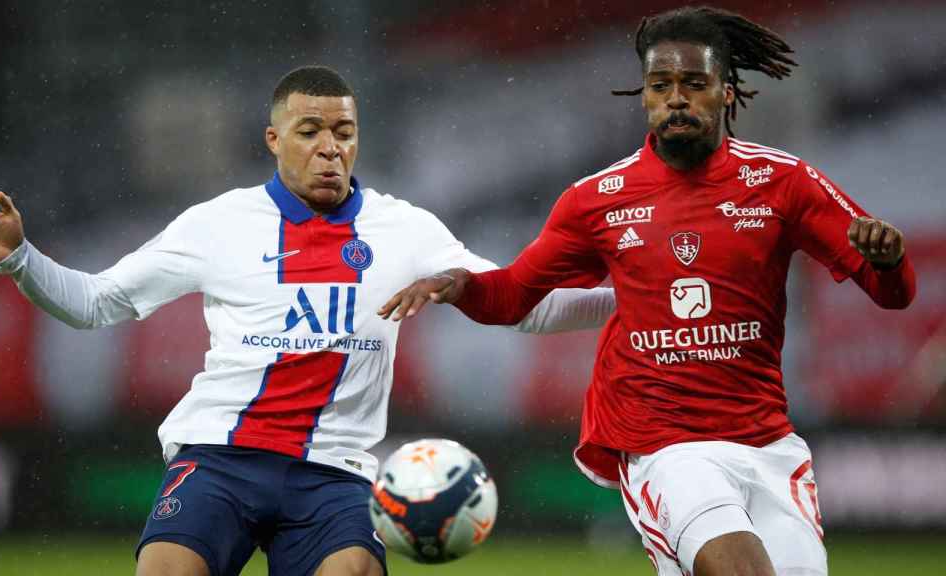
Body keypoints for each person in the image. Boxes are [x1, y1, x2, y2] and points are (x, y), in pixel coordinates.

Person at [0, 66, 617, 576]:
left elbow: (524, 305)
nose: (329, 148)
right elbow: (94, 303)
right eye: (310, 131)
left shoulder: (406, 230)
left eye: (343, 132)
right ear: (273, 138)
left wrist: (631, 295)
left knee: (352, 572)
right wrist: (18, 257)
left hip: (332, 472)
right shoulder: (217, 224)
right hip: (219, 458)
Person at [378, 7, 917, 576]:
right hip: (665, 445)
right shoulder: (597, 199)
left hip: (766, 444)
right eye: (661, 86)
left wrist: (889, 261)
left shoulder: (784, 183)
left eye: (694, 84)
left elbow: (894, 294)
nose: (677, 98)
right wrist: (459, 284)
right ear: (645, 97)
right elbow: (512, 297)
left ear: (726, 94)